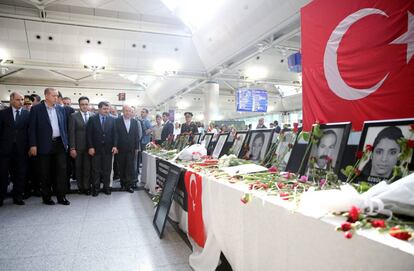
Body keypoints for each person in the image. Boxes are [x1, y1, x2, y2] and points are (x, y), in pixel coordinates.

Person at [29, 87, 70, 205]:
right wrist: (33, 145)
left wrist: (66, 142)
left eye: (57, 96)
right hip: (43, 145)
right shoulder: (36, 109)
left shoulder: (60, 109)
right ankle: (46, 198)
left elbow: (64, 128)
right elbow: (32, 129)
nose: (56, 98)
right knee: (45, 173)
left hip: (59, 145)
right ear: (46, 96)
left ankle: (61, 197)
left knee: (61, 172)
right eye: (54, 96)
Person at [0, 92, 30, 206]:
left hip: (21, 150)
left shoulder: (27, 114)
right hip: (4, 150)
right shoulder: (3, 114)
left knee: (20, 174)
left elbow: (30, 132)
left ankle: (18, 196)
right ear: (11, 100)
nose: (21, 102)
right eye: (18, 99)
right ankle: (1, 197)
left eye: (22, 99)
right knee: (2, 174)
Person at [87, 101, 118, 196]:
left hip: (108, 149)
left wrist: (115, 146)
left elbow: (115, 134)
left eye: (108, 109)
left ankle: (106, 187)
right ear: (99, 109)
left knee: (107, 170)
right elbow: (89, 135)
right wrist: (91, 147)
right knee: (96, 170)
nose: (106, 110)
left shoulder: (112, 120)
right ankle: (95, 188)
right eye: (104, 109)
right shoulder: (92, 119)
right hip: (96, 149)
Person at [69, 96, 94, 195]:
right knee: (78, 168)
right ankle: (80, 187)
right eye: (82, 104)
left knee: (88, 168)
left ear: (89, 104)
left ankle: (87, 187)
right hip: (78, 147)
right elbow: (71, 133)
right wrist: (72, 148)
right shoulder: (73, 116)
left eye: (86, 104)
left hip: (90, 148)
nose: (84, 106)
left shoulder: (93, 116)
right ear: (79, 105)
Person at [115, 105, 140, 193]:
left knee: (130, 167)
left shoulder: (134, 122)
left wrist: (137, 147)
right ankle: (122, 184)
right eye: (126, 111)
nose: (128, 112)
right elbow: (115, 135)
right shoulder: (117, 121)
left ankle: (129, 185)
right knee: (121, 167)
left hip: (131, 149)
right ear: (123, 111)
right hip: (120, 148)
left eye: (129, 111)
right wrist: (115, 146)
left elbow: (136, 136)